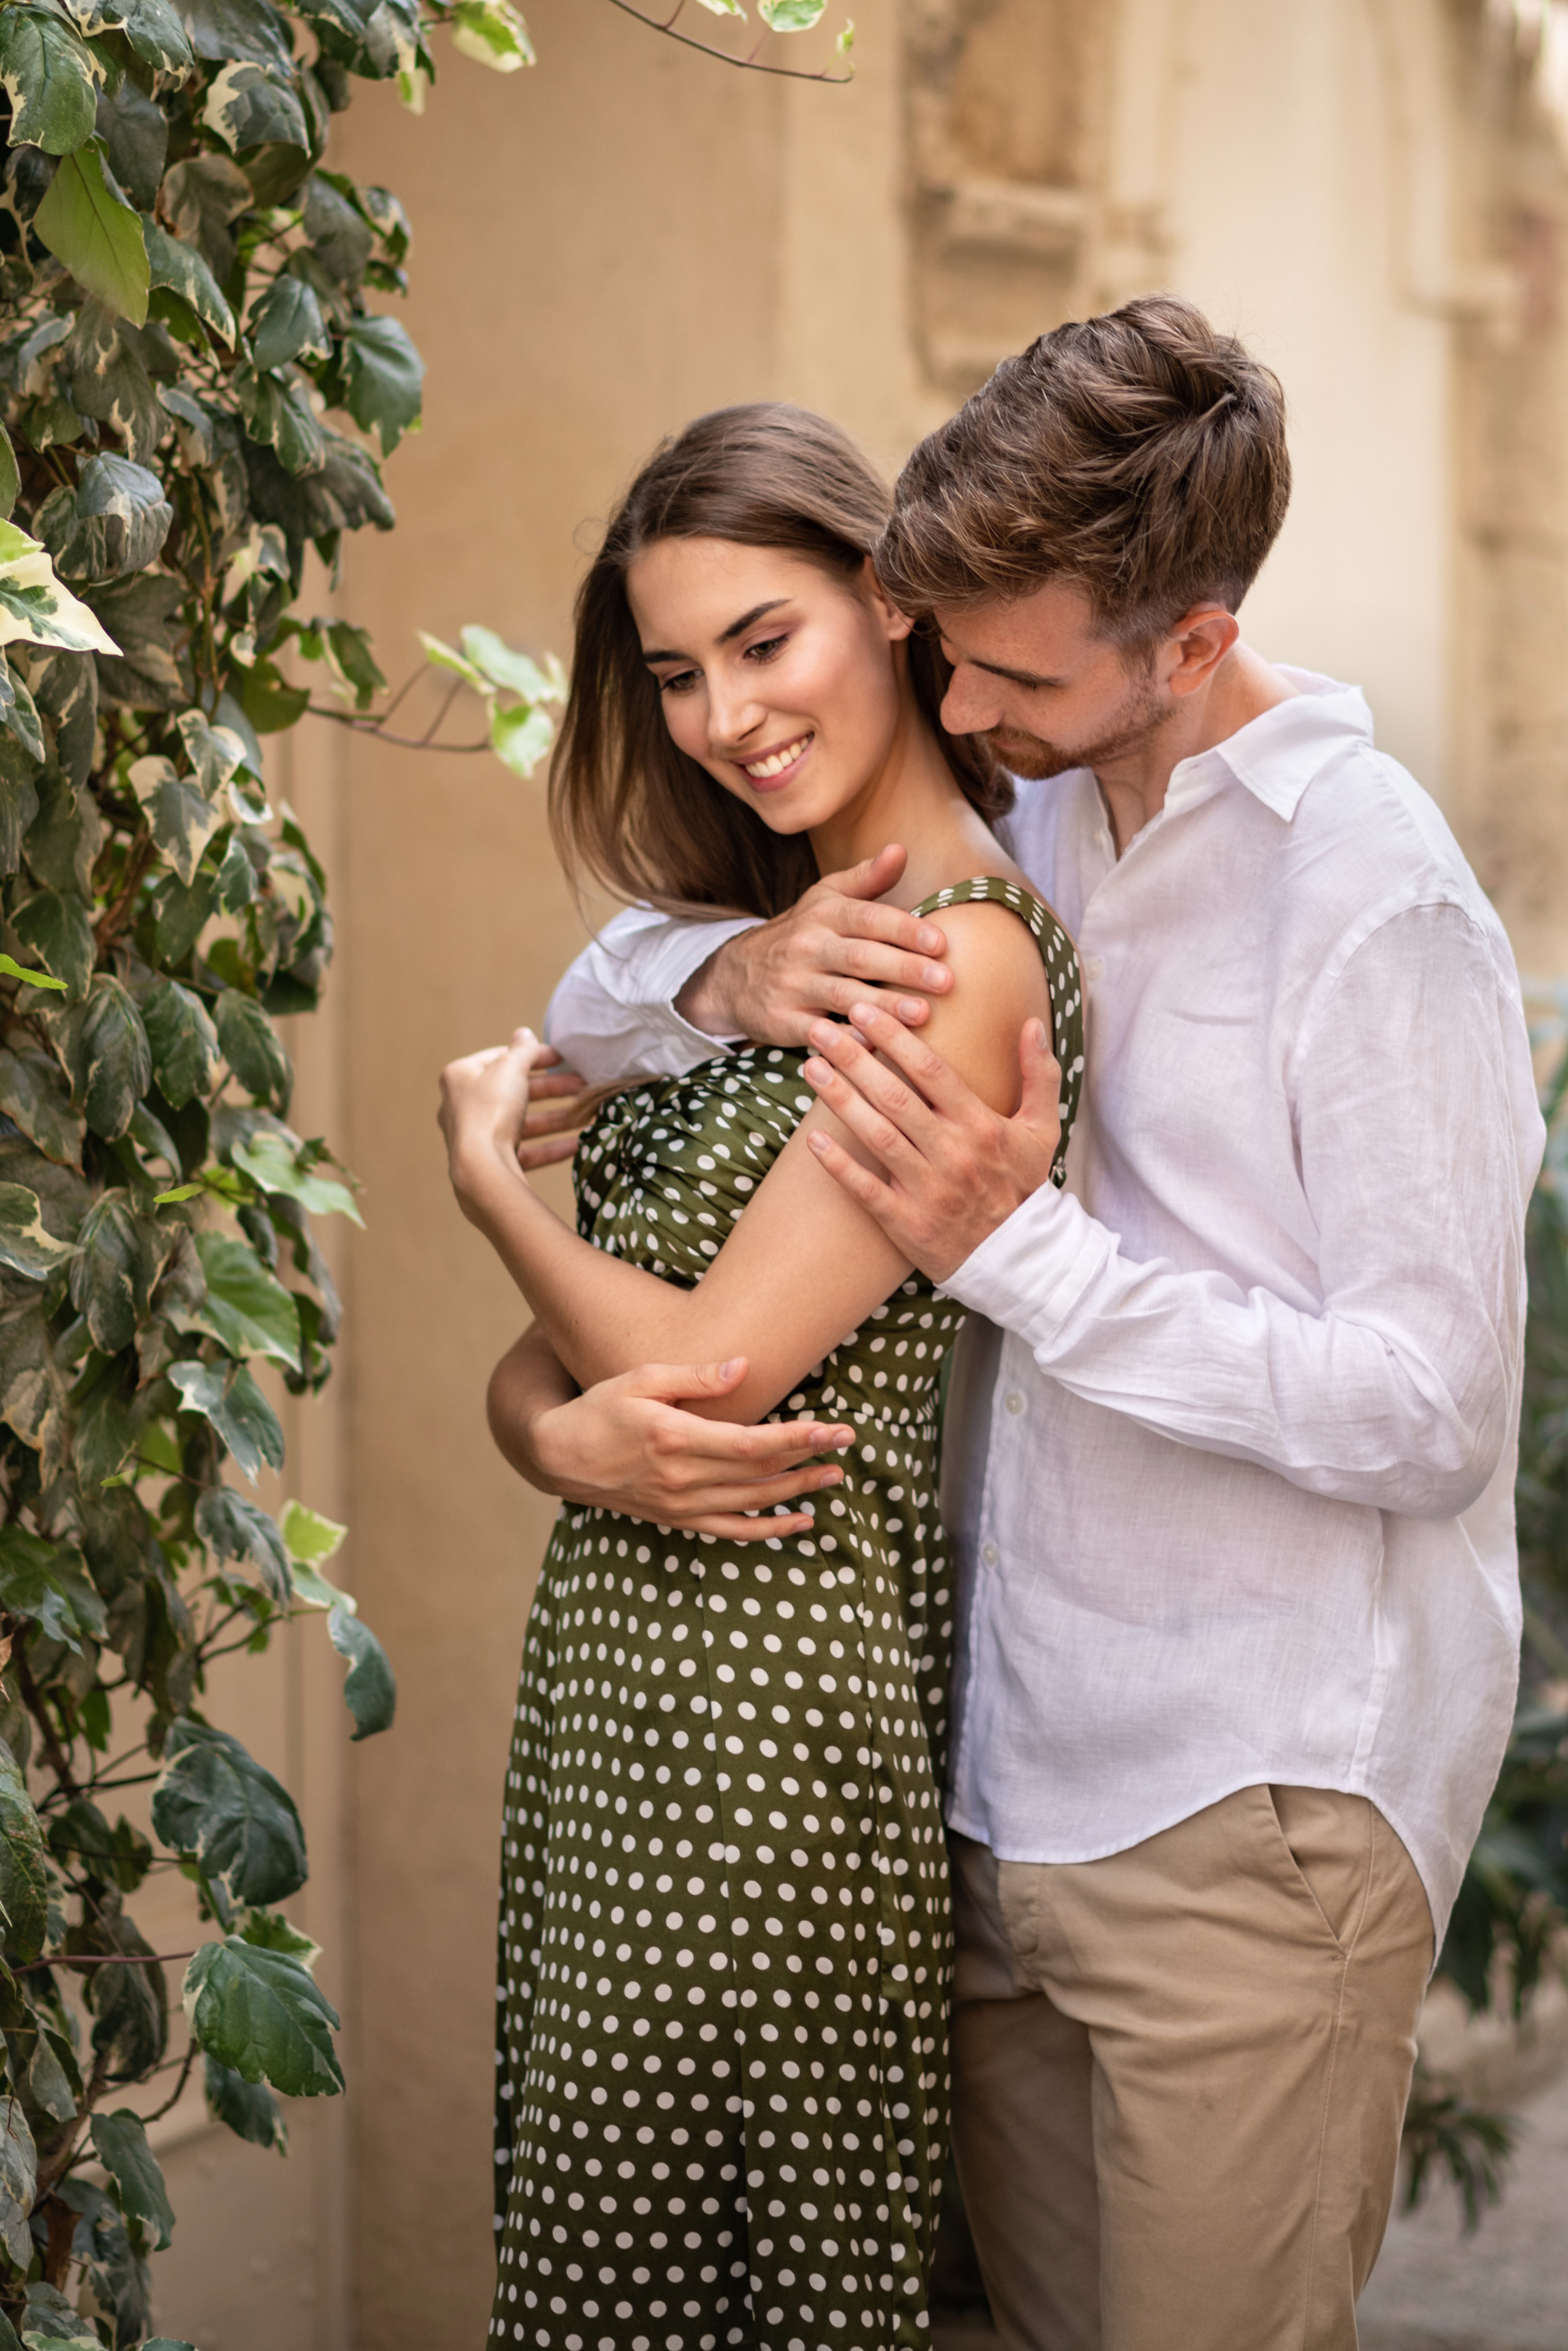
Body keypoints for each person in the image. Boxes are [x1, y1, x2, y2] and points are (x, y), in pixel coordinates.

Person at [499, 298, 1545, 2351]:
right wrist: (716, 988)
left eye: (1006, 664)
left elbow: (1430, 1410)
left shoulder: (1375, 902)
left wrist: (1024, 1251)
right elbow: (611, 993)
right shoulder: (1045, 803)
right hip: (998, 1780)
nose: (954, 695)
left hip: (1256, 1812)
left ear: (1193, 635)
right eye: (944, 642)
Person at [438, 402, 1084, 2351]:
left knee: (694, 2275)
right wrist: (566, 1444)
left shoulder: (960, 956)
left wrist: (485, 1185)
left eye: (763, 641)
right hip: (627, 1679)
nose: (724, 713)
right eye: (675, 671)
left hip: (768, 1705)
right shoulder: (786, 943)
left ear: (893, 606)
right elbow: (552, 1383)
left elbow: (704, 1371)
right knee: (604, 2250)